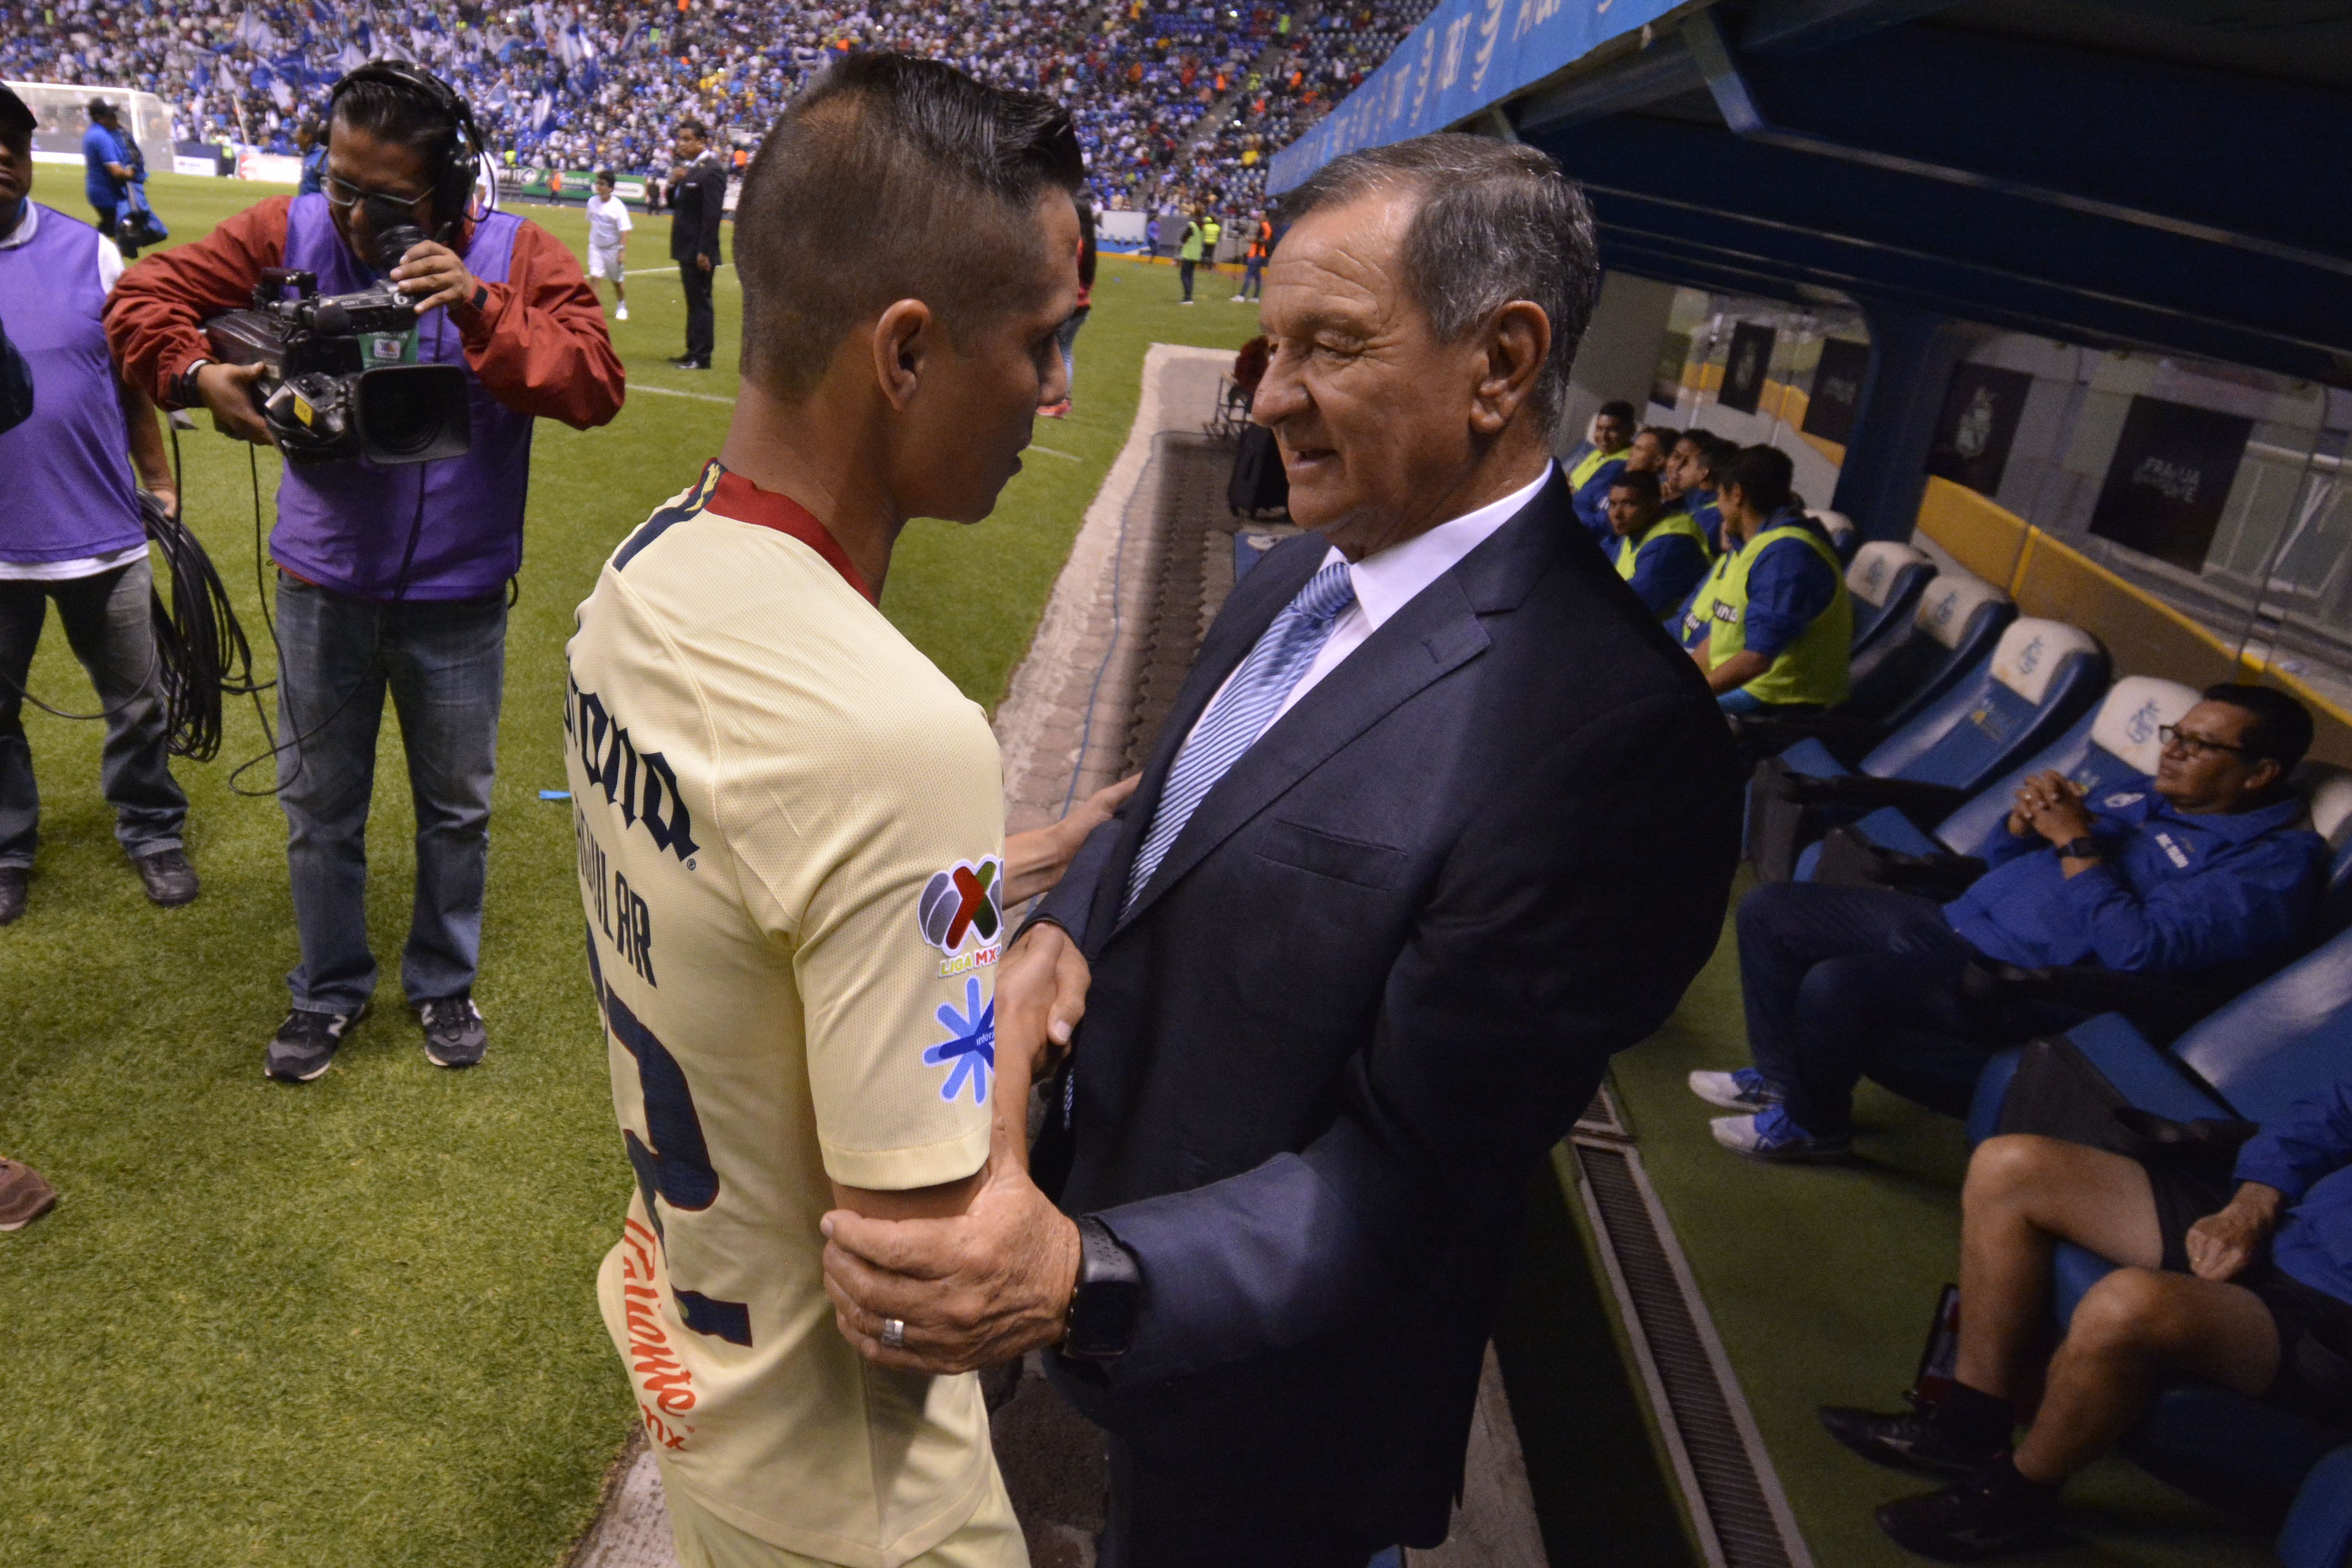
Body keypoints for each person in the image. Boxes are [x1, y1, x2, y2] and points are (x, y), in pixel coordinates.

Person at [818, 132, 1743, 1566]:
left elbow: (1412, 1176)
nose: (1271, 397)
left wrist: (1082, 1274)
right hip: (1126, 1305)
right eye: (1266, 344)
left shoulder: (1612, 741)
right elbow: (1169, 805)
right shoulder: (1313, 566)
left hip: (1270, 1423)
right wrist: (1068, 932)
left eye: (1327, 347)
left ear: (1499, 364)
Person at [565, 54, 1103, 1568]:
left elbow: (753, 887)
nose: (1056, 394)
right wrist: (1018, 977)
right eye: (1043, 344)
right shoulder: (894, 740)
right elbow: (918, 1279)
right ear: (908, 352)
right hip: (862, 1502)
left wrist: (971, 878)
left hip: (693, 1359)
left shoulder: (646, 571)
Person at [108, 60, 624, 1082]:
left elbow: (592, 385)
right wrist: (197, 374)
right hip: (319, 588)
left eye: (381, 196)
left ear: (449, 187)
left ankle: (442, 983)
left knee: (457, 811)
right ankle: (329, 990)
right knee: (319, 809)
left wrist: (481, 307)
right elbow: (142, 294)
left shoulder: (517, 253)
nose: (349, 212)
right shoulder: (286, 230)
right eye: (336, 180)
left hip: (458, 599)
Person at [1697, 685, 2328, 1161]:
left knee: (1838, 983)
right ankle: (1782, 1082)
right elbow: (2005, 861)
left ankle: (1815, 1126)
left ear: (2261, 772)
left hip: (2021, 979)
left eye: (2201, 744)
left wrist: (2076, 841)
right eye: (2175, 733)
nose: (2173, 750)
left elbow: (2142, 950)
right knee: (1771, 911)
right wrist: (2022, 826)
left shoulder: (2270, 866)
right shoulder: (2149, 792)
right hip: (1956, 920)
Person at [1822, 1086, 2352, 1559]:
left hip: (2333, 1310)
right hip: (2295, 1225)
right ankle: (1967, 1424)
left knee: (2126, 1307)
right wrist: (2256, 1200)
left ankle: (2014, 1502)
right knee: (2010, 1167)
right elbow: (2332, 1108)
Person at [0, 83, 197, 927]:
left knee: (140, 698)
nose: (2, 155)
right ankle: (8, 845)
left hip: (102, 527)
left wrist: (158, 481)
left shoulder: (92, 254)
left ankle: (151, 827)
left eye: (12, 140)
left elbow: (127, 384)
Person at [1678, 444, 1850, 714]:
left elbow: (1757, 661)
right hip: (1742, 684)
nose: (1718, 509)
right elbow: (1719, 635)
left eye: (1719, 497)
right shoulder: (1750, 547)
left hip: (1777, 700)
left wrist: (1687, 697)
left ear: (1737, 495)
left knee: (1661, 718)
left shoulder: (1786, 556)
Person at [1606, 467, 1710, 621]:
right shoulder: (1633, 530)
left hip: (1682, 637)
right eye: (1613, 504)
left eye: (1628, 504)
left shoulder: (1668, 544)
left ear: (1655, 506)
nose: (1617, 514)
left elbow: (1628, 606)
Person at [669, 120, 728, 369]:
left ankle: (702, 357)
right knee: (693, 301)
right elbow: (676, 204)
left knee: (701, 301)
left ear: (702, 142)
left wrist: (705, 250)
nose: (681, 144)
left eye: (687, 139)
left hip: (698, 250)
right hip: (686, 246)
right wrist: (673, 183)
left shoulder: (711, 170)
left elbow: (712, 214)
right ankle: (693, 350)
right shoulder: (690, 169)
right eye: (680, 138)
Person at [1565, 398, 1634, 537]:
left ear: (1631, 431)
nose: (1603, 437)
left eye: (1613, 430)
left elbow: (1583, 499)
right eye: (1600, 429)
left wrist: (1567, 487)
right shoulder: (1598, 452)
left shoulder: (1620, 465)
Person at [81, 100, 134, 254]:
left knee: (111, 228)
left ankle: (88, 250)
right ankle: (111, 268)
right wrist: (131, 173)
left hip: (99, 191)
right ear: (100, 117)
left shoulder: (93, 133)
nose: (114, 118)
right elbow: (116, 171)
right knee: (125, 232)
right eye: (109, 114)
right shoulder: (101, 137)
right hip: (107, 194)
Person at [585, 168, 631, 322]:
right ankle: (594, 312)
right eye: (598, 183)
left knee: (617, 281)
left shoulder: (618, 206)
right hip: (596, 246)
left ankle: (621, 305)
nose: (599, 186)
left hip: (612, 248)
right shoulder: (592, 202)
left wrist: (622, 250)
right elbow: (590, 220)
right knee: (595, 278)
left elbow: (625, 229)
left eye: (603, 184)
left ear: (610, 188)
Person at [1232, 206, 1270, 301]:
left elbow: (1262, 240)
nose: (1259, 216)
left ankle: (1242, 295)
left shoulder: (1264, 226)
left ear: (1266, 217)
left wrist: (1249, 239)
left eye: (1261, 215)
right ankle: (1256, 297)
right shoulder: (1266, 226)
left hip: (1258, 254)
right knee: (1257, 276)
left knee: (1249, 275)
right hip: (1260, 254)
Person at [1175, 208, 1203, 303]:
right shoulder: (1202, 227)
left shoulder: (1192, 225)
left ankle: (1187, 297)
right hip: (1196, 254)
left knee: (1184, 276)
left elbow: (1183, 239)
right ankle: (1189, 297)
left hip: (1189, 253)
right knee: (1190, 276)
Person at [295, 118, 327, 195]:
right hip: (305, 204)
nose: (296, 138)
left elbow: (328, 189)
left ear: (307, 137)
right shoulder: (308, 155)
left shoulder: (323, 156)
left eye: (298, 134)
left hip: (316, 206)